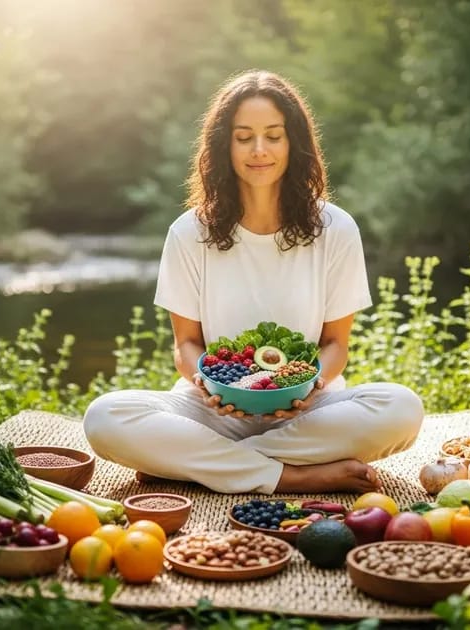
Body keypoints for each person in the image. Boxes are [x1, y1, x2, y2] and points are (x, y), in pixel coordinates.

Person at [84, 70, 424, 495]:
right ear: (224, 145)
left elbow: (336, 344)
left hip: (307, 409)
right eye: (244, 137)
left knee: (401, 408)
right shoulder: (189, 232)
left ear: (292, 142)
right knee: (104, 417)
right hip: (214, 409)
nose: (259, 150)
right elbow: (186, 345)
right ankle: (292, 475)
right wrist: (207, 384)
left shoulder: (336, 228)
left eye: (273, 136)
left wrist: (313, 384)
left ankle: (198, 462)